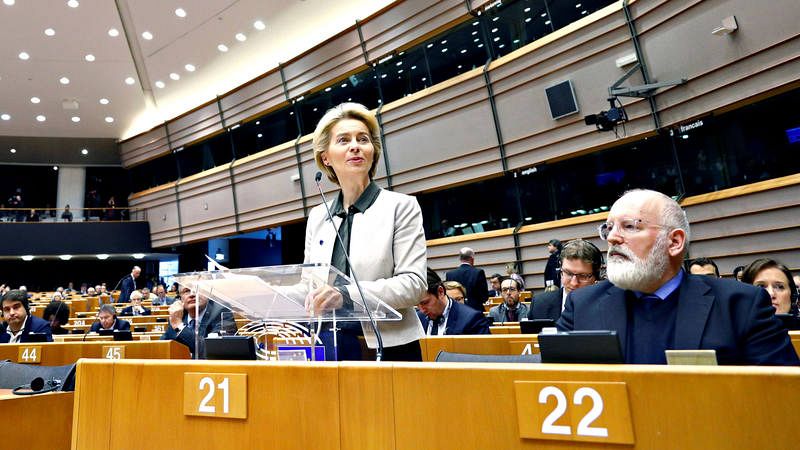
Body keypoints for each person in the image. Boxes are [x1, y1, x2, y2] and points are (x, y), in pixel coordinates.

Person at [557, 189, 799, 365]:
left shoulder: (741, 306)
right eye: (609, 228)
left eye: (629, 226)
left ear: (674, 242)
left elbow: (781, 399)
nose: (612, 238)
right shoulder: (582, 307)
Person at [304, 102, 427, 361]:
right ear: (325, 157)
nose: (355, 145)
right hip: (327, 342)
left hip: (389, 346)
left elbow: (414, 285)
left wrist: (345, 295)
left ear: (373, 151)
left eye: (363, 139)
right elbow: (309, 284)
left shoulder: (401, 207)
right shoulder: (317, 216)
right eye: (343, 140)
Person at [528, 239, 602, 322]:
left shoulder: (610, 307)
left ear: (596, 276)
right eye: (568, 273)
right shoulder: (539, 305)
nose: (574, 283)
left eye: (583, 276)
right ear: (560, 271)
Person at [161, 287, 235, 358]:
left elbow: (214, 351)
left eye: (197, 289)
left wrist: (180, 326)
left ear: (208, 294)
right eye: (187, 291)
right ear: (180, 298)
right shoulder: (178, 315)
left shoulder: (221, 312)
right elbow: (162, 347)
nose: (192, 294)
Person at [417, 268, 489, 335]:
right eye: (417, 305)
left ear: (440, 292)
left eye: (425, 303)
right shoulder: (418, 318)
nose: (422, 310)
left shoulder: (472, 320)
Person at [445, 247, 489, 313]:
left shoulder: (450, 274)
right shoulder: (478, 272)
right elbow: (484, 297)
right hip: (475, 311)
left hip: (456, 311)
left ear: (460, 259)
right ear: (472, 259)